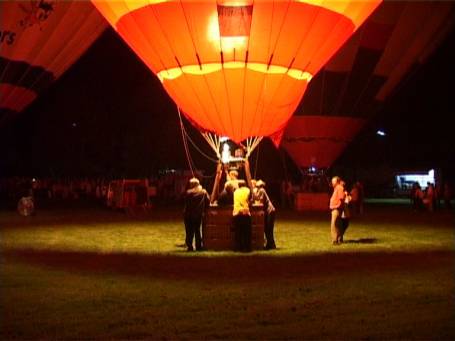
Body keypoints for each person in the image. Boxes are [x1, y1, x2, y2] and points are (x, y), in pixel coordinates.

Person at [183, 178, 209, 251]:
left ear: (192, 184)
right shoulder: (203, 192)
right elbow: (208, 201)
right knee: (197, 230)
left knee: (189, 231)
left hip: (188, 214)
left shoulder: (188, 192)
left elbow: (185, 202)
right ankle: (198, 246)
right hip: (198, 214)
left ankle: (190, 246)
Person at [255, 180, 276, 250]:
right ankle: (270, 244)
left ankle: (271, 245)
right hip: (270, 211)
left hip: (270, 211)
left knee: (268, 229)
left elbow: (260, 200)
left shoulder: (261, 190)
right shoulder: (262, 190)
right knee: (267, 229)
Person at [233, 179, 252, 252]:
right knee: (247, 232)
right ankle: (247, 248)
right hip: (245, 212)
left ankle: (238, 247)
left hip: (237, 213)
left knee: (238, 232)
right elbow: (250, 199)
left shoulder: (235, 192)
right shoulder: (247, 190)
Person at [329, 176, 345, 245]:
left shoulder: (339, 188)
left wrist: (338, 206)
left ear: (337, 182)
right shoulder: (337, 188)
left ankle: (335, 240)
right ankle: (339, 239)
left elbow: (341, 198)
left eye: (333, 181)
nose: (332, 182)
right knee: (338, 224)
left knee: (334, 224)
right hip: (336, 208)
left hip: (337, 209)